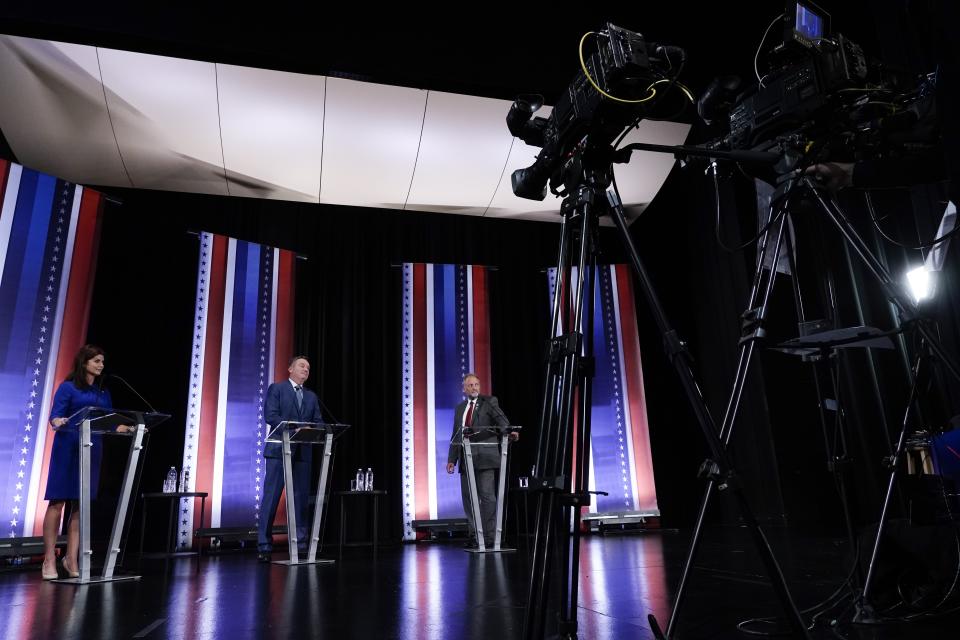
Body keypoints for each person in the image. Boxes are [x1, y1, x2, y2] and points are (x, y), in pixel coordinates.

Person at [42, 344, 131, 579]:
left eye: (102, 361)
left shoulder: (103, 394)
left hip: (92, 449)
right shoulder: (68, 387)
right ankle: (49, 559)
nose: (101, 365)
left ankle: (71, 558)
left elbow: (109, 420)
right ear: (84, 363)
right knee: (57, 503)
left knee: (81, 507)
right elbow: (56, 415)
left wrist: (123, 427)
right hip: (68, 447)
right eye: (97, 361)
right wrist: (57, 421)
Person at [257, 355, 322, 561]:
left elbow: (318, 421)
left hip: (303, 453)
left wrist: (316, 428)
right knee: (272, 497)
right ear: (290, 369)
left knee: (301, 499)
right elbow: (271, 416)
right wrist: (296, 427)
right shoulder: (277, 389)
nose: (306, 369)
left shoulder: (311, 396)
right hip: (279, 451)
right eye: (302, 365)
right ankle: (264, 545)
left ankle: (300, 544)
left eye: (308, 367)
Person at [446, 373, 518, 548]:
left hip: (486, 457)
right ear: (464, 388)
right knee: (469, 499)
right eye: (470, 385)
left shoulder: (489, 402)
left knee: (488, 498)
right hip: (466, 460)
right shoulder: (459, 408)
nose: (474, 388)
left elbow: (500, 419)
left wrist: (508, 431)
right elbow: (456, 434)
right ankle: (474, 536)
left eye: (476, 385)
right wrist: (452, 460)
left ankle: (490, 536)